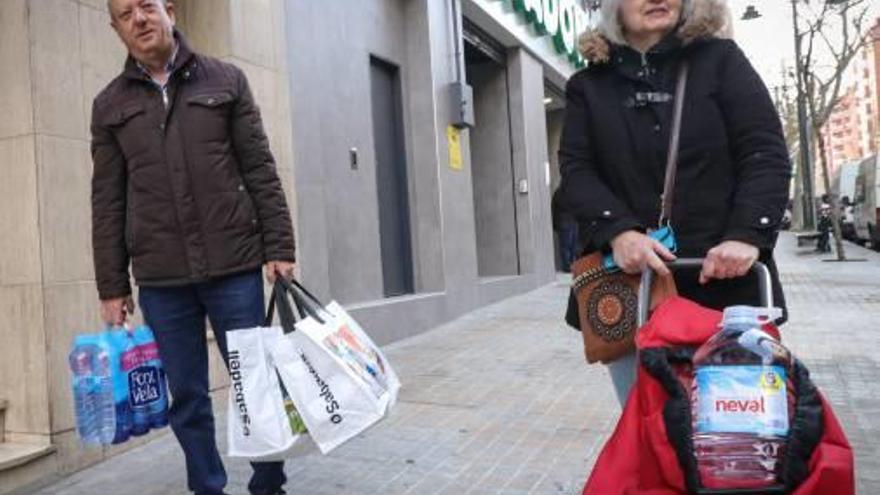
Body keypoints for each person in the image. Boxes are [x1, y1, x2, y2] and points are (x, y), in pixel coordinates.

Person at [90, 1, 295, 494]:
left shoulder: (225, 80)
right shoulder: (109, 105)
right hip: (162, 280)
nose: (138, 18)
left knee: (254, 383)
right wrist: (112, 285)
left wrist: (279, 245)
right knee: (186, 395)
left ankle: (269, 482)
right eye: (125, 13)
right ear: (116, 29)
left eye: (146, 5)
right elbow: (108, 201)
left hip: (235, 265)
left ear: (170, 10)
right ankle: (207, 486)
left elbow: (259, 169)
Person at [559, 0, 790, 403]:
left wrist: (748, 235)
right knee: (649, 430)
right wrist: (618, 232)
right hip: (633, 290)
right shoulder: (588, 86)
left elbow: (764, 152)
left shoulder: (721, 62)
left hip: (723, 286)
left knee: (731, 430)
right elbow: (577, 170)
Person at [552, 187, 580, 272]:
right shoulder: (563, 193)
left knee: (569, 246)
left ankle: (569, 265)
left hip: (569, 222)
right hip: (568, 222)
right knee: (569, 246)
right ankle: (568, 266)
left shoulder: (559, 193)